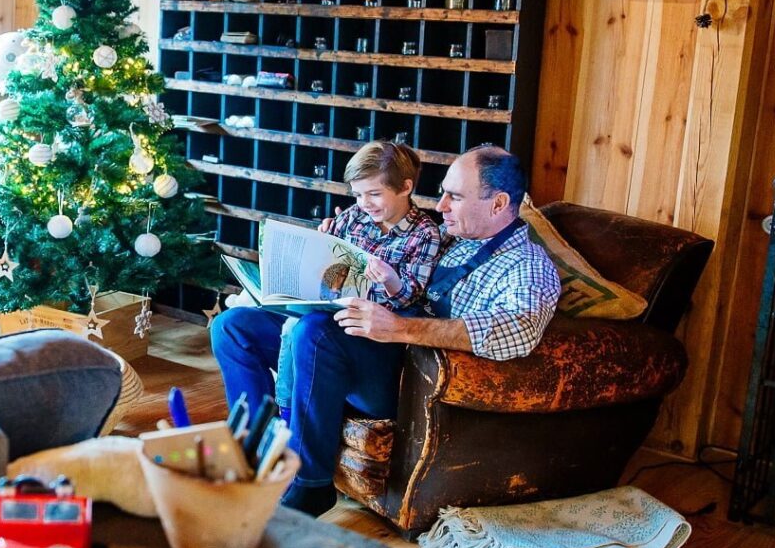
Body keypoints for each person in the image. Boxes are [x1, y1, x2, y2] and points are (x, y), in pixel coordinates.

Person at [210, 145, 561, 518]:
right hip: (363, 343)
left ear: (498, 203)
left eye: (454, 197)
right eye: (443, 193)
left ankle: (308, 486)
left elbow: (518, 330)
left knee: (316, 332)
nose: (440, 207)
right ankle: (254, 448)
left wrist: (400, 328)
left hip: (404, 375)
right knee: (233, 327)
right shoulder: (453, 237)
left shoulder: (527, 266)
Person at [273, 141, 442, 421]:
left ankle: (289, 418)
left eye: (374, 194)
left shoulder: (425, 233)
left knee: (302, 328)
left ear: (406, 187)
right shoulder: (354, 216)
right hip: (335, 307)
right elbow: (326, 259)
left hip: (377, 332)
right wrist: (320, 241)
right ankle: (282, 412)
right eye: (358, 194)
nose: (364, 203)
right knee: (256, 324)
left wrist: (390, 279)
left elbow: (409, 296)